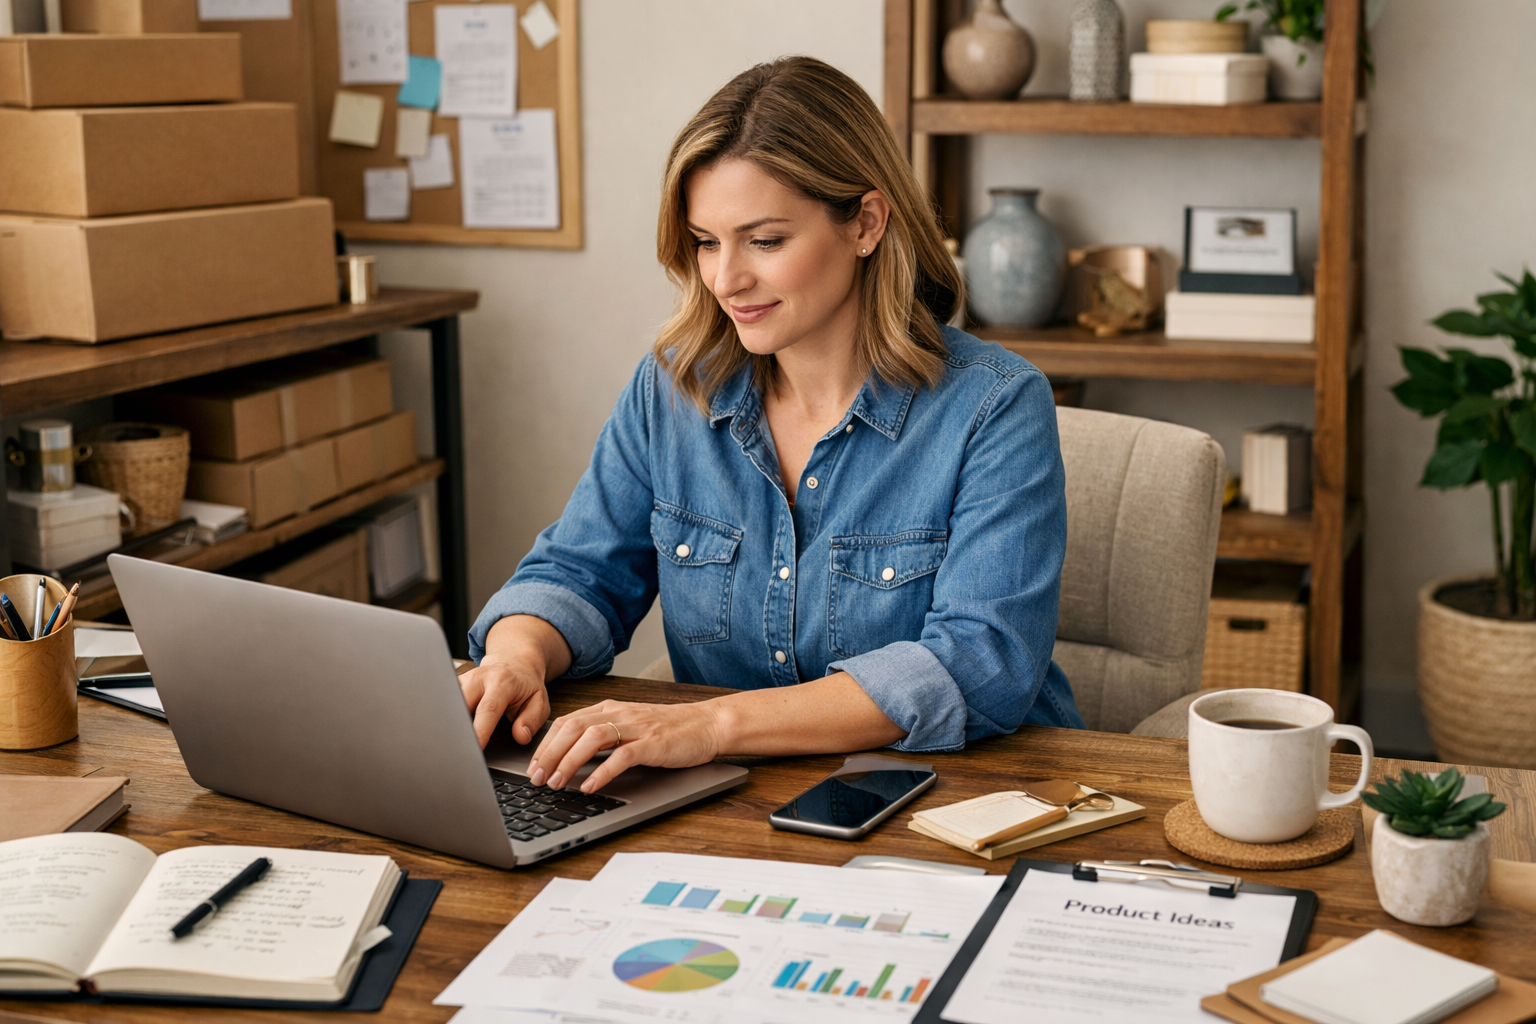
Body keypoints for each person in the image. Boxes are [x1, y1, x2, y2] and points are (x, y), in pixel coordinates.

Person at [460, 56, 1083, 795]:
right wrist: (516, 657)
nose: (725, 280)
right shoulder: (671, 390)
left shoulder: (995, 406)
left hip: (961, 800)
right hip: (731, 805)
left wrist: (713, 726)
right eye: (706, 241)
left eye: (763, 241)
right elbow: (578, 572)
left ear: (866, 223)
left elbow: (980, 662)